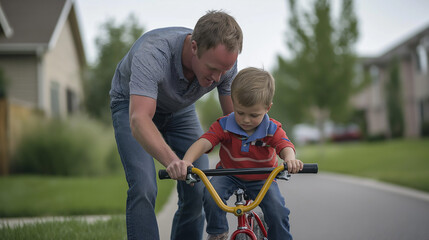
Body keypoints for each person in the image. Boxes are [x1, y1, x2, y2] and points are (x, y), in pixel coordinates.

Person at [109, 10, 243, 240]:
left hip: (180, 110)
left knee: (198, 182)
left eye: (225, 70)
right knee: (144, 187)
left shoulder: (223, 63)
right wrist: (173, 161)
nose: (219, 78)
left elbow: (237, 123)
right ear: (194, 47)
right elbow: (140, 119)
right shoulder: (152, 53)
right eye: (212, 69)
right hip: (132, 106)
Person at [171, 67, 303, 240]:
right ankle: (218, 232)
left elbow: (284, 145)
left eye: (254, 115)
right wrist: (187, 161)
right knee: (211, 195)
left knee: (277, 210)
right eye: (240, 113)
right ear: (233, 102)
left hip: (262, 177)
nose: (246, 120)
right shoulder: (224, 125)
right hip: (228, 174)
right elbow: (203, 142)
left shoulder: (271, 128)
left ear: (267, 108)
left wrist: (290, 159)